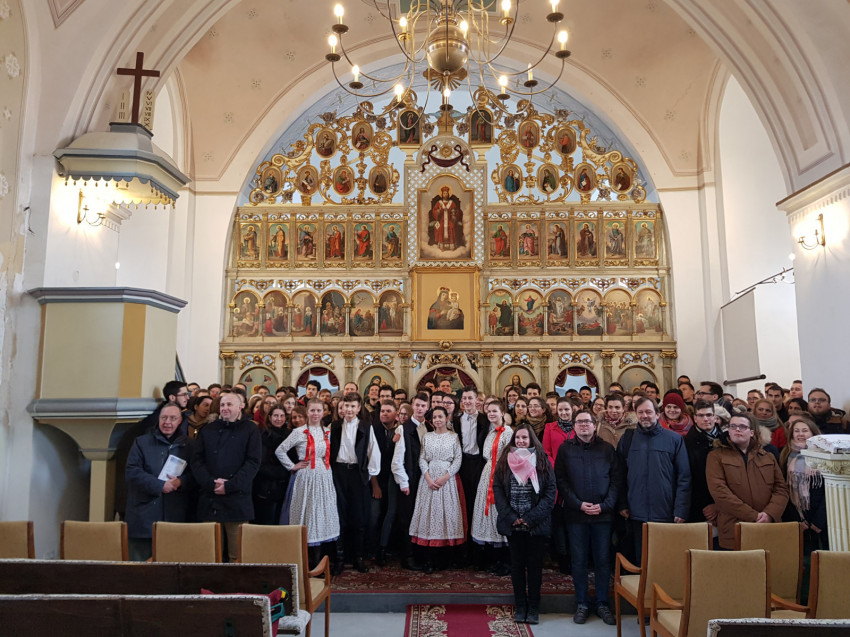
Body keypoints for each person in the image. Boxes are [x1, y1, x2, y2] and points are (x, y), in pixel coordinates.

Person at [555, 409, 620, 626]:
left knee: (602, 560)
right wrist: (578, 504)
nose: (584, 425)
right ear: (574, 426)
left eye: (587, 422)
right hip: (576, 514)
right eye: (579, 422)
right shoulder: (565, 449)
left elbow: (616, 480)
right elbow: (561, 480)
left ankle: (602, 603)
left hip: (603, 514)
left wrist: (605, 505)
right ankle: (582, 603)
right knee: (579, 561)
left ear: (595, 425)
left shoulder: (607, 449)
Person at [492, 423, 556, 625]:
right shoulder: (505, 460)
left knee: (535, 567)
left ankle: (534, 607)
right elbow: (498, 489)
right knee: (517, 566)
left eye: (524, 438)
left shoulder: (542, 460)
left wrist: (530, 518)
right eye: (518, 438)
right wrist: (512, 517)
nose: (520, 441)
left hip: (535, 524)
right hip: (513, 524)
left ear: (531, 440)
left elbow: (550, 493)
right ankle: (520, 606)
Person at [617, 396, 691, 562]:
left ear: (658, 414)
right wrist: (622, 504)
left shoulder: (674, 439)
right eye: (640, 412)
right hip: (636, 512)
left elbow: (684, 477)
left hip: (665, 511)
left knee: (665, 560)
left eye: (649, 412)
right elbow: (620, 474)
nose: (644, 416)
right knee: (641, 560)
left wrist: (681, 509)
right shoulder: (628, 439)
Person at [192, 391, 262, 562]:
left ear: (240, 407)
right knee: (209, 554)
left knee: (238, 556)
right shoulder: (208, 429)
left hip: (237, 499)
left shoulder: (250, 429)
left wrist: (230, 485)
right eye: (222, 405)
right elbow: (197, 461)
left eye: (229, 404)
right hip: (210, 498)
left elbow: (253, 462)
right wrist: (211, 483)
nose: (225, 408)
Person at [706, 412, 789, 550]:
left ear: (752, 432)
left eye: (742, 426)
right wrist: (754, 516)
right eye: (733, 426)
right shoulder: (716, 456)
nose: (737, 429)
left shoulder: (767, 456)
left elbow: (781, 489)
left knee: (768, 562)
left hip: (767, 526)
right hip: (734, 526)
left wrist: (769, 514)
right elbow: (719, 492)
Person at [275, 398, 340, 568]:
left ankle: (321, 558)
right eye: (312, 411)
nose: (316, 414)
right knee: (309, 513)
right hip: (307, 476)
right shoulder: (299, 432)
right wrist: (292, 466)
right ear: (307, 412)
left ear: (323, 412)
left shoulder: (327, 431)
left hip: (324, 475)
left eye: (319, 410)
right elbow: (280, 450)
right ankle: (308, 559)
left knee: (322, 512)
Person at [125, 404, 194, 561]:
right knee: (140, 566)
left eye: (172, 418)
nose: (167, 422)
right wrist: (159, 485)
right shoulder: (141, 442)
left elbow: (196, 475)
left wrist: (181, 482)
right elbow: (132, 472)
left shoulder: (190, 445)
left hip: (176, 516)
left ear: (180, 421)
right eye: (164, 418)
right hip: (144, 516)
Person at [408, 406, 465, 572]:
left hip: (447, 481)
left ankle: (444, 558)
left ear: (446, 418)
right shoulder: (427, 436)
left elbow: (458, 459)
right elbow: (422, 458)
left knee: (446, 515)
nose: (438, 420)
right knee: (428, 515)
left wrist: (446, 477)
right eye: (435, 417)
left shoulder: (454, 437)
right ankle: (428, 559)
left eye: (440, 416)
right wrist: (427, 477)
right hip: (429, 480)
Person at [330, 392, 381, 573]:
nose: (349, 410)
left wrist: (369, 474)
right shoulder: (334, 426)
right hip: (339, 472)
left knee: (359, 516)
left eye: (353, 406)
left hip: (358, 474)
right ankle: (340, 557)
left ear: (359, 408)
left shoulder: (365, 426)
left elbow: (373, 450)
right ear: (341, 407)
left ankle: (358, 557)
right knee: (340, 514)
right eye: (346, 406)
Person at [470, 399, 513, 574]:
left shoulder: (507, 432)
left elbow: (510, 456)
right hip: (487, 474)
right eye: (489, 411)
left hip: (501, 474)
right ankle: (491, 557)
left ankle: (505, 560)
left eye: (495, 411)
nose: (491, 414)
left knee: (499, 512)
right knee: (487, 513)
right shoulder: (490, 433)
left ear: (502, 413)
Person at [781, 415, 827, 553]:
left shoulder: (825, 455)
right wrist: (797, 520)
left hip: (822, 517)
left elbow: (830, 491)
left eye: (805, 430)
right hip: (797, 517)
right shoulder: (785, 456)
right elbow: (783, 489)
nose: (800, 434)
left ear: (813, 433)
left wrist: (819, 520)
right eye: (796, 431)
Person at [683, 400, 721, 529]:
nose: (705, 419)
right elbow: (688, 477)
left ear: (715, 417)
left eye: (709, 415)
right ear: (695, 418)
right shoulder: (686, 443)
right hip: (698, 505)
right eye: (701, 415)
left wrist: (719, 504)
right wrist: (706, 504)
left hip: (724, 504)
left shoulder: (726, 439)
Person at [252, 406, 290, 525]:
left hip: (283, 486)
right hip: (267, 487)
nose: (279, 419)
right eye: (275, 416)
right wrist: (285, 471)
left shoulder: (289, 434)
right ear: (269, 417)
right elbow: (261, 464)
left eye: (282, 416)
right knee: (268, 522)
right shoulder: (263, 435)